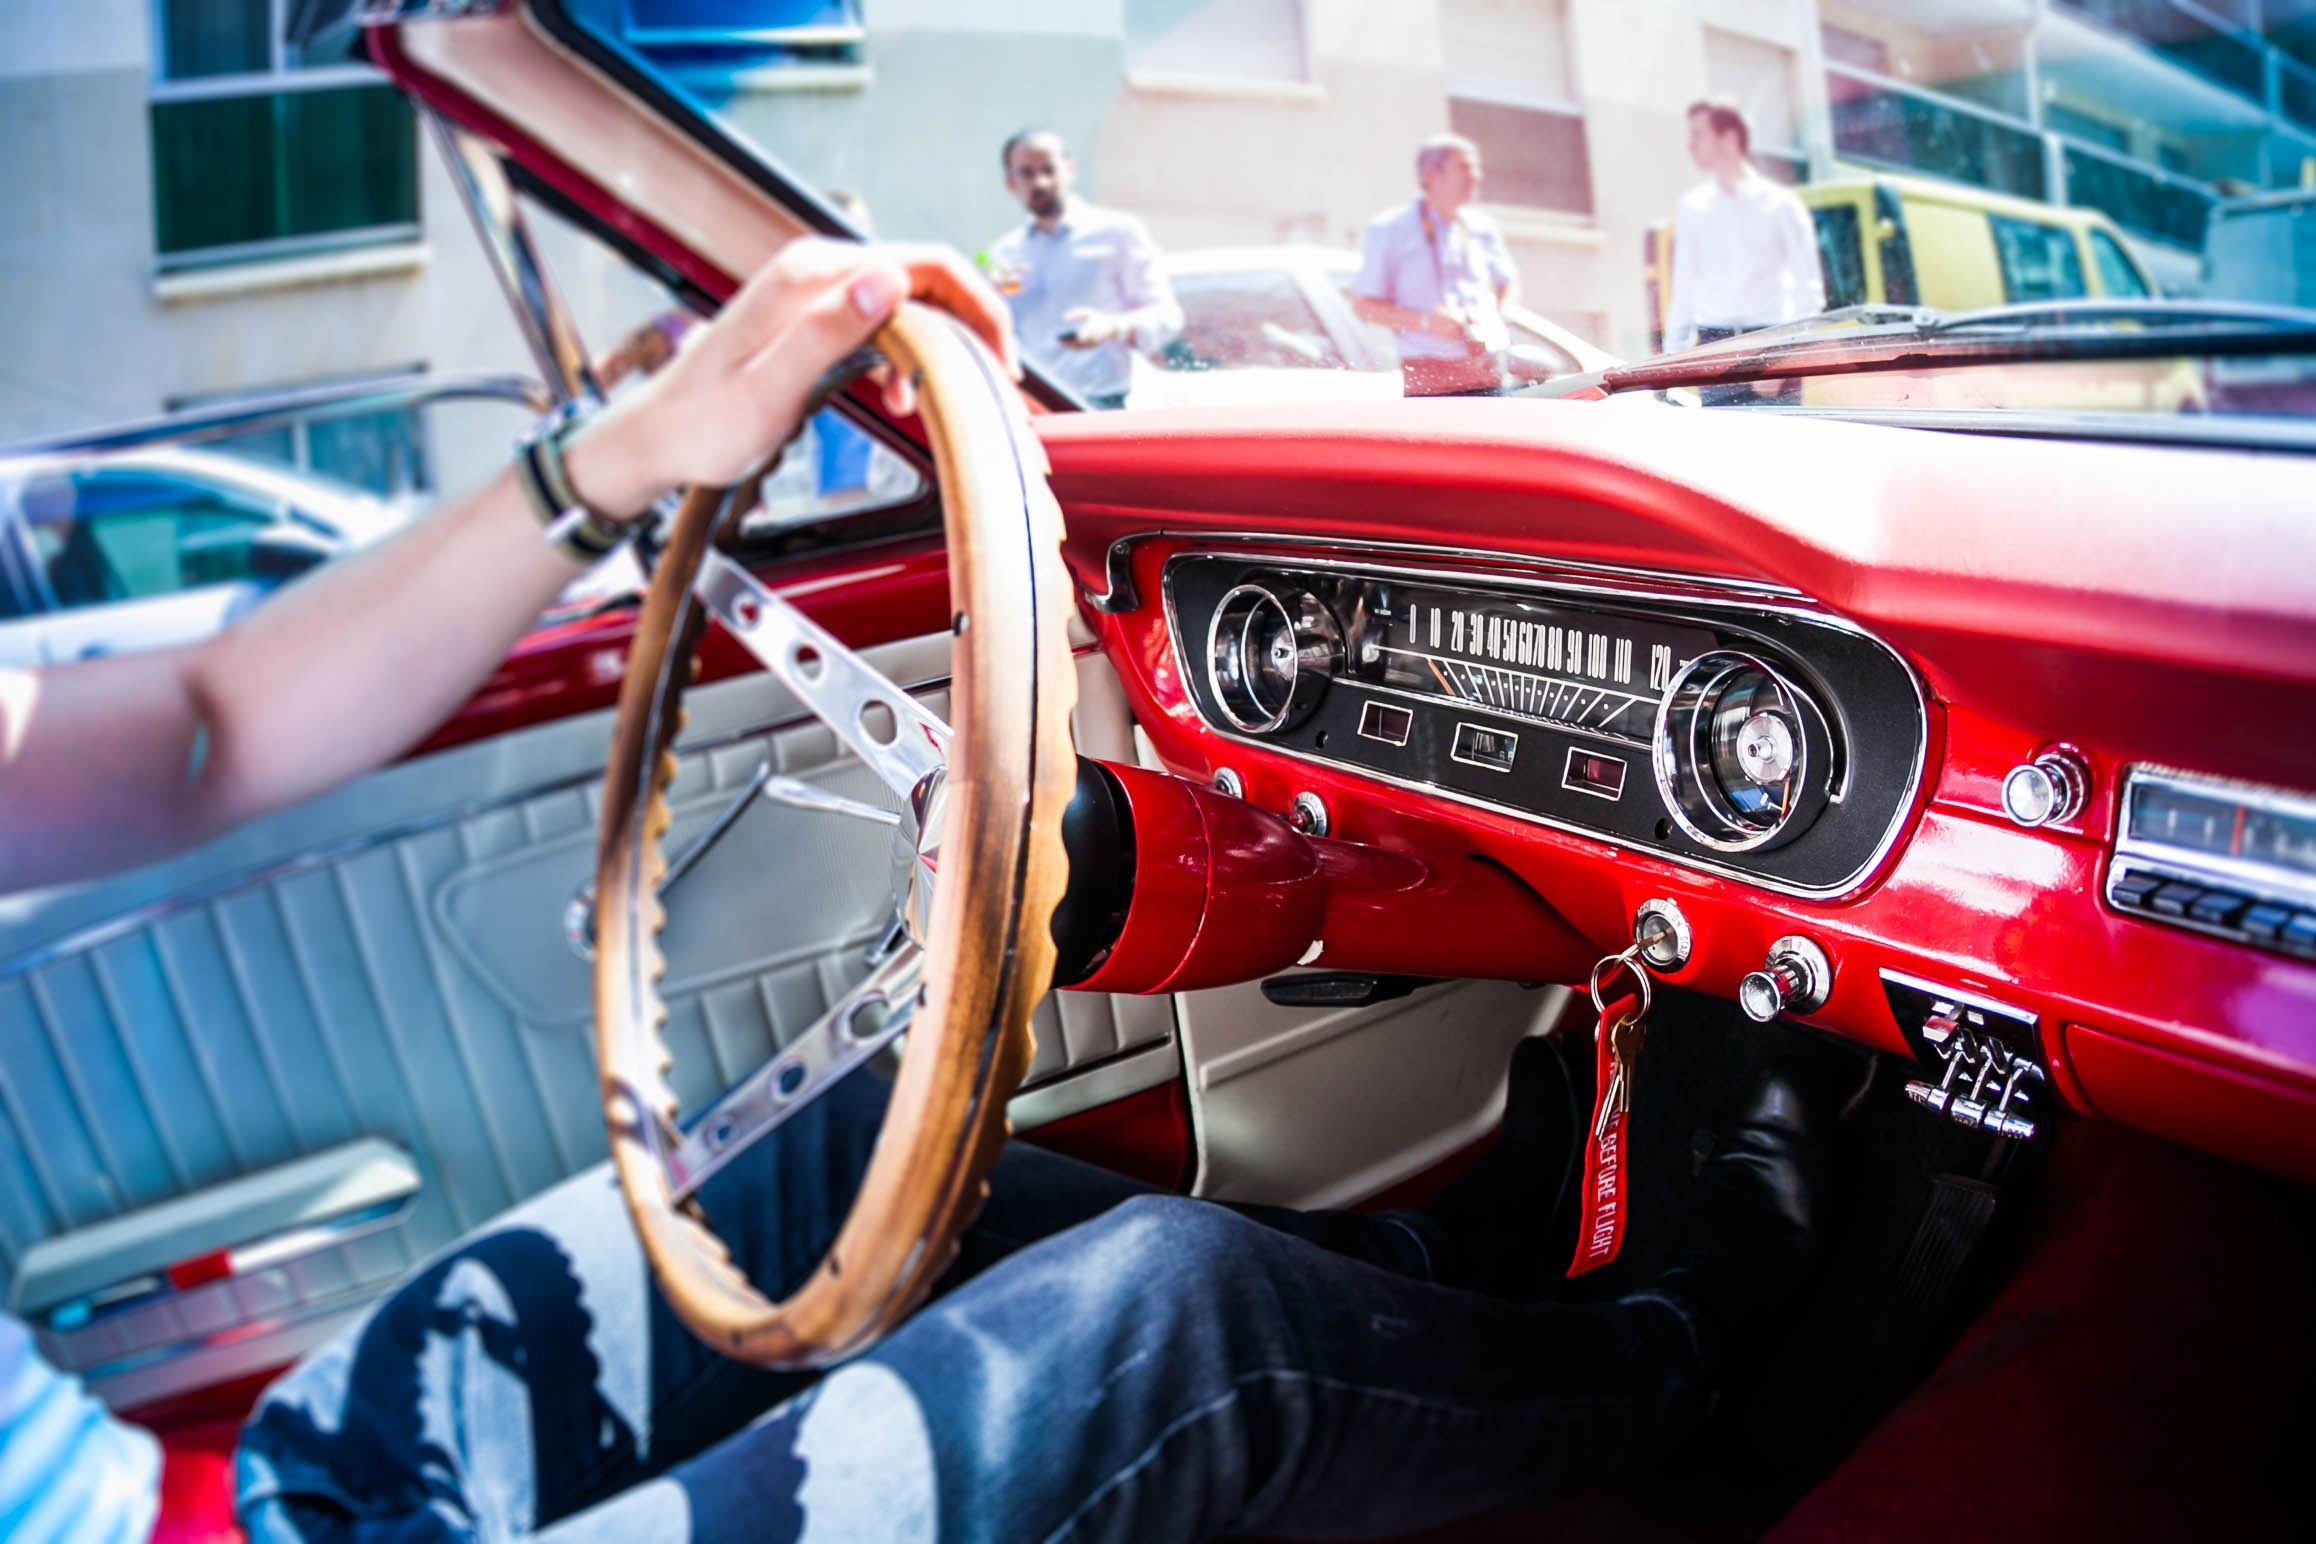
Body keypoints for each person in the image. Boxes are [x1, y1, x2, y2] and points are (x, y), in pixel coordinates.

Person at [0, 239, 1827, 1544]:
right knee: (1175, 1321)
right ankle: (1690, 1347)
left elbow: (203, 730)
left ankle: (1461, 1265)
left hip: (285, 1485)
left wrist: (627, 451)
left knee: (867, 1151)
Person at [984, 128, 1182, 410]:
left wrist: (1114, 326)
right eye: (1027, 173)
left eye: (1049, 169)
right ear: (1010, 182)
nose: (1040, 182)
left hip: (1106, 402)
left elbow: (1168, 315)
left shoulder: (1118, 233)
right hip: (1032, 405)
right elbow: (999, 334)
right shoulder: (1003, 253)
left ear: (1070, 170)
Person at [1350, 133, 1520, 394]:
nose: (1476, 177)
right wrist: (1427, 322)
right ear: (1431, 175)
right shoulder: (1390, 228)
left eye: (1476, 168)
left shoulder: (1482, 227)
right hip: (1430, 370)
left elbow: (1507, 282)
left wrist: (1491, 319)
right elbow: (1364, 308)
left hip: (1487, 363)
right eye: (1464, 168)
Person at [1661, 97, 1826, 357]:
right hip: (1713, 342)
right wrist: (1672, 353)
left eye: (1699, 134)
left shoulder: (1782, 204)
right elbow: (1684, 286)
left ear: (1729, 138)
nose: (1690, 145)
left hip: (1771, 337)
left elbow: (1808, 289)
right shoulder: (1692, 207)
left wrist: (1788, 352)